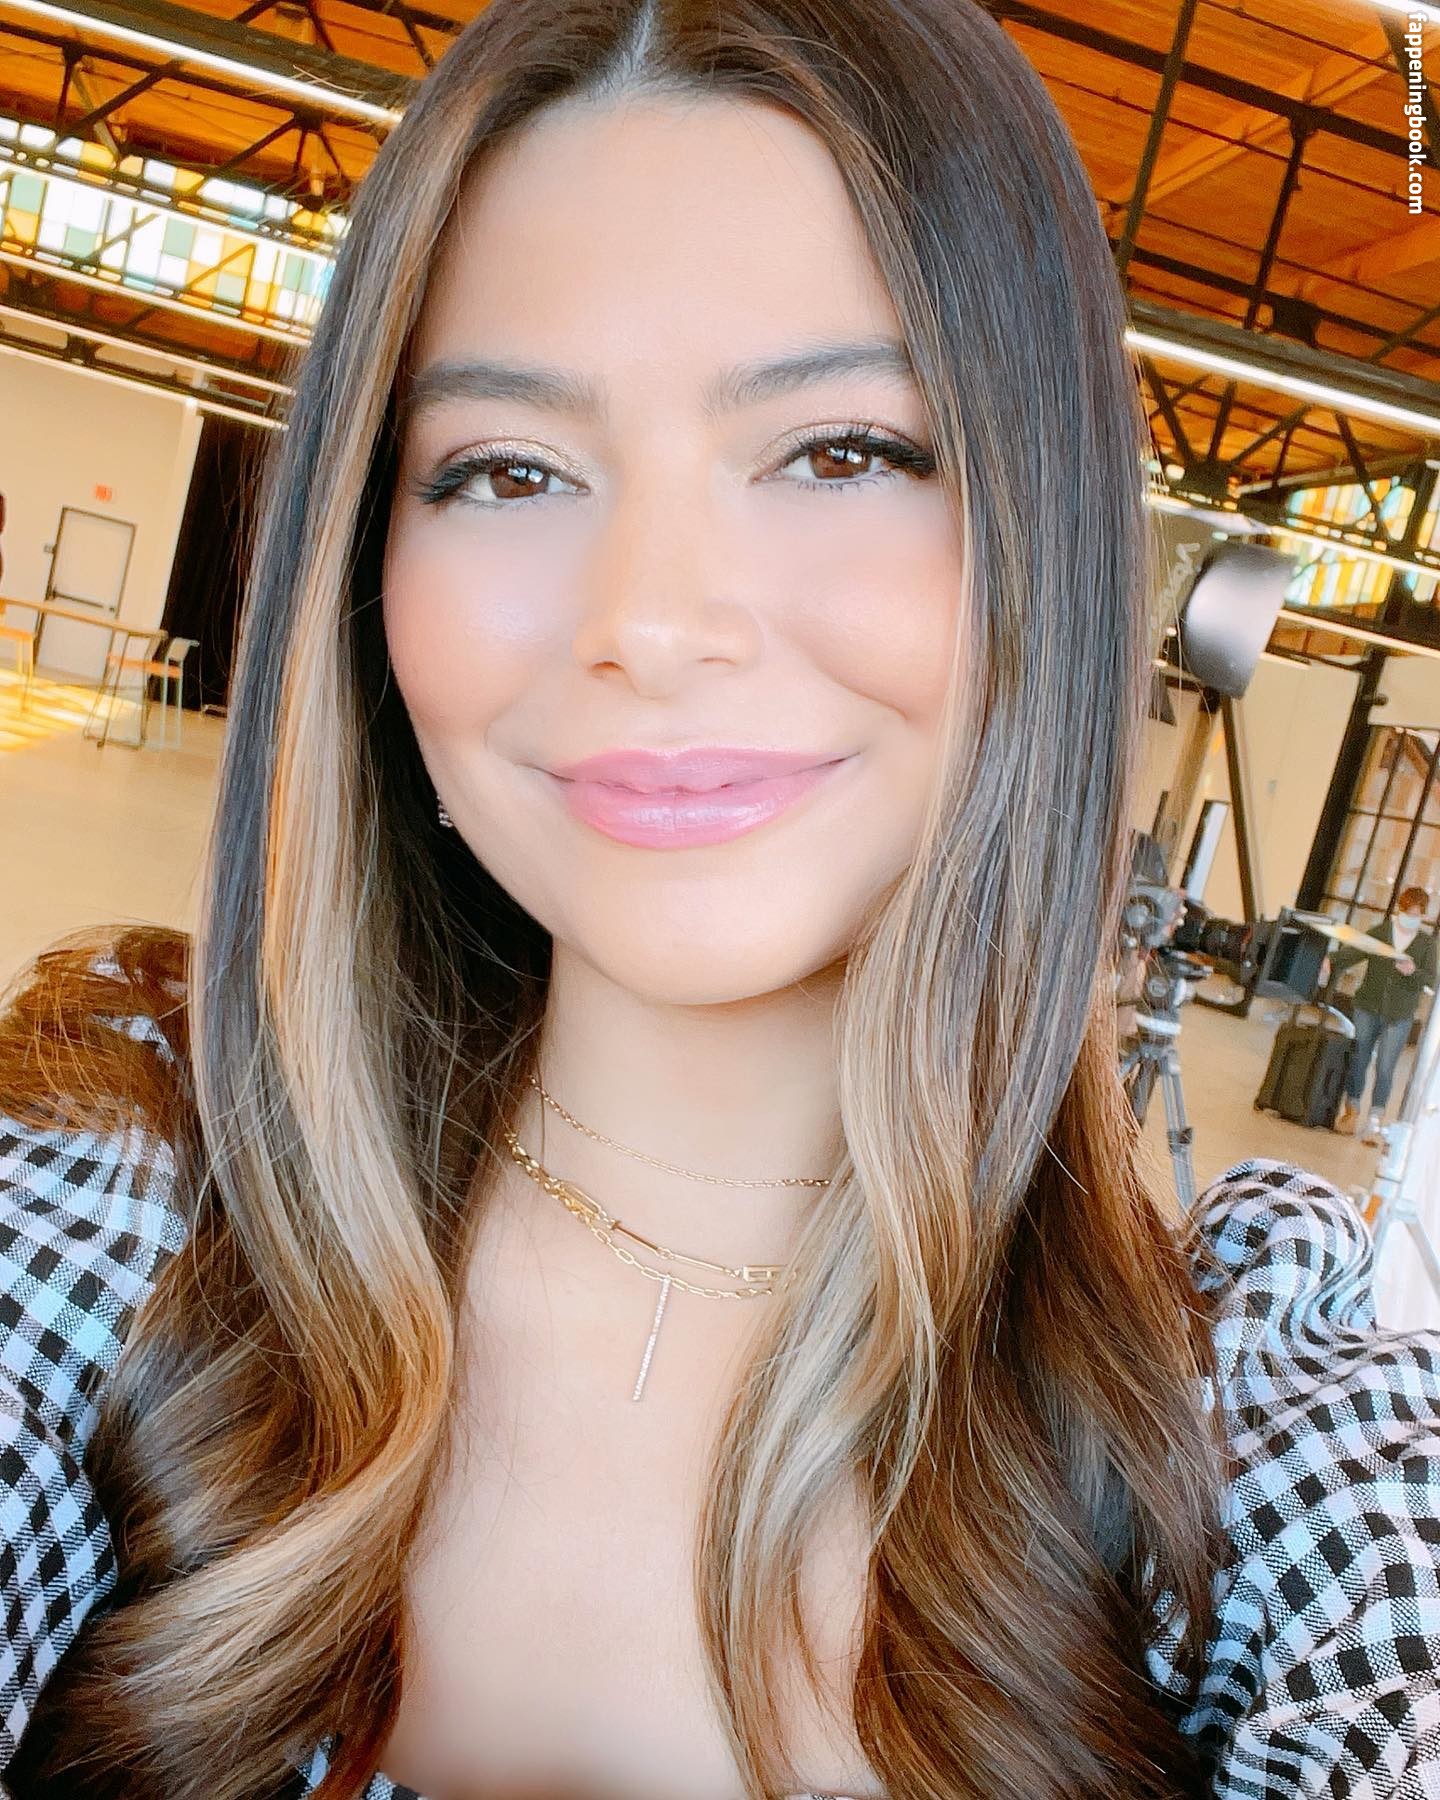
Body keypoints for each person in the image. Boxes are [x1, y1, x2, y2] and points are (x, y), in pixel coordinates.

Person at [1, 3, 1439, 1797]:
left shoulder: (1267, 1444)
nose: (653, 621)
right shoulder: (124, 1219)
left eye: (841, 451)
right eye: (508, 470)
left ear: (1048, 536)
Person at [1324, 886, 1438, 1143]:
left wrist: (1413, 972)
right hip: (1368, 1006)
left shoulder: (1427, 944)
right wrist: (1331, 959)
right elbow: (1354, 952)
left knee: (1386, 1066)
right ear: (1400, 910)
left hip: (1400, 1014)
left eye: (1417, 915)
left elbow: (1431, 980)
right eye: (1408, 913)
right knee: (1359, 1058)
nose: (1411, 919)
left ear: (1423, 915)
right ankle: (1351, 1112)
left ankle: (1375, 1121)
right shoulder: (1382, 932)